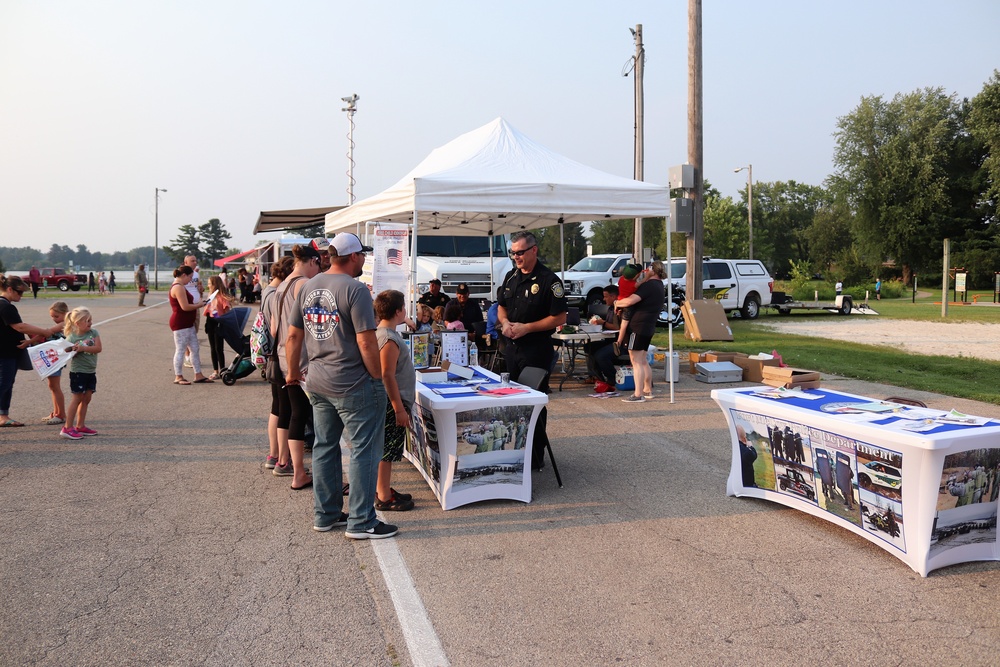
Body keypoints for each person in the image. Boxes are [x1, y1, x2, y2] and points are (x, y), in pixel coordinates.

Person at [285, 232, 398, 539]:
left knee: (325, 447)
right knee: (364, 450)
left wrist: (292, 372)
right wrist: (377, 378)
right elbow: (365, 340)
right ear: (353, 257)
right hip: (352, 382)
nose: (363, 259)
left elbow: (293, 336)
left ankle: (326, 514)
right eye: (362, 254)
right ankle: (362, 521)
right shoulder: (356, 289)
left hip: (318, 381)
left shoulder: (308, 286)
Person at [496, 231, 567, 471]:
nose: (516, 257)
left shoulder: (549, 281)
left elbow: (559, 317)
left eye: (520, 253)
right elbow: (501, 307)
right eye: (513, 253)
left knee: (533, 403)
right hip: (512, 349)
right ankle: (517, 454)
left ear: (534, 250)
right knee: (513, 404)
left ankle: (535, 458)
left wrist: (528, 328)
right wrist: (505, 323)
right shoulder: (511, 276)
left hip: (536, 351)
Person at [268, 244, 320, 490]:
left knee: (290, 411)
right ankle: (299, 472)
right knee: (302, 413)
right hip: (298, 358)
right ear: (311, 262)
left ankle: (286, 462)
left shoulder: (280, 286)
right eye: (318, 265)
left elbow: (274, 328)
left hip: (281, 354)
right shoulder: (303, 285)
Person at [0, 275, 63, 427]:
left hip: (10, 352)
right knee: (3, 384)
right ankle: (2, 416)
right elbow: (20, 326)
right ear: (9, 289)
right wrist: (45, 332)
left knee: (7, 384)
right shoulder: (5, 306)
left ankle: (3, 415)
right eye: (19, 292)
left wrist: (32, 338)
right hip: (4, 353)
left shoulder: (6, 305)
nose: (21, 296)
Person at [374, 289, 416, 512]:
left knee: (386, 449)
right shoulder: (388, 338)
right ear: (399, 311)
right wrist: (398, 408)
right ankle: (383, 495)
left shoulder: (385, 333)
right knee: (386, 450)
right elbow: (387, 374)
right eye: (404, 308)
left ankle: (384, 488)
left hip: (392, 402)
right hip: (392, 404)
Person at [260, 256, 294, 471]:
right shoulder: (277, 294)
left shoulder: (267, 291)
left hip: (272, 356)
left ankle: (275, 455)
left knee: (277, 408)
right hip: (280, 355)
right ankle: (282, 459)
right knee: (284, 409)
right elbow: (276, 329)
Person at [614, 262, 666, 403]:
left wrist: (617, 303)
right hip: (648, 326)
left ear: (652, 270)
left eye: (648, 268)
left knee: (636, 361)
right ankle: (647, 389)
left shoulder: (648, 286)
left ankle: (638, 394)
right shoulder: (660, 285)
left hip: (637, 326)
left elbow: (630, 301)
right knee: (643, 360)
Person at [60, 307, 102, 440]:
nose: (90, 323)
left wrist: (83, 348)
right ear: (77, 323)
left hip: (90, 371)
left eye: (90, 320)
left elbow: (98, 348)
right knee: (77, 398)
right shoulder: (71, 337)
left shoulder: (93, 332)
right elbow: (65, 352)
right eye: (86, 321)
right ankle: (67, 428)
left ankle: (80, 425)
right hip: (78, 372)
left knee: (86, 398)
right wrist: (72, 349)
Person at [169, 265, 211, 385]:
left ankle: (198, 374)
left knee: (195, 348)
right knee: (181, 349)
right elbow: (185, 307)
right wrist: (200, 305)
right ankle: (178, 376)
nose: (191, 280)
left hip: (187, 323)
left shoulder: (182, 286)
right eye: (190, 277)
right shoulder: (178, 287)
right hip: (180, 323)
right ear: (184, 275)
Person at [586, 284, 621, 390]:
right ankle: (596, 375)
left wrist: (603, 323)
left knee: (601, 355)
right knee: (589, 347)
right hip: (609, 338)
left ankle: (613, 378)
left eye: (606, 296)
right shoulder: (610, 308)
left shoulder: (618, 309)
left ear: (613, 297)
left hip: (619, 342)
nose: (603, 299)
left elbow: (616, 326)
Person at [42, 301, 70, 425]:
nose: (54, 319)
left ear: (65, 314)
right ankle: (56, 411)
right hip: (54, 356)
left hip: (57, 358)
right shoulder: (63, 322)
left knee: (55, 386)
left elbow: (48, 332)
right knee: (52, 386)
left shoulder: (65, 323)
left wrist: (30, 340)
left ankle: (61, 414)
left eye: (56, 316)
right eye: (52, 317)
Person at [203, 275, 234, 381]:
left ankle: (222, 369)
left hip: (219, 323)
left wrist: (222, 320)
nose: (208, 286)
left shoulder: (222, 297)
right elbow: (207, 310)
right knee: (212, 348)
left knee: (219, 348)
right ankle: (215, 370)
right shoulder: (210, 296)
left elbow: (226, 311)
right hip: (210, 322)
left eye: (209, 284)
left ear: (215, 284)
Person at [614, 264, 642, 356]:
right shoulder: (634, 285)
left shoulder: (621, 279)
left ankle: (619, 342)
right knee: (624, 326)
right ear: (636, 275)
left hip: (619, 302)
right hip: (627, 306)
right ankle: (618, 342)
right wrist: (647, 276)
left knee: (620, 324)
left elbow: (629, 278)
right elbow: (641, 282)